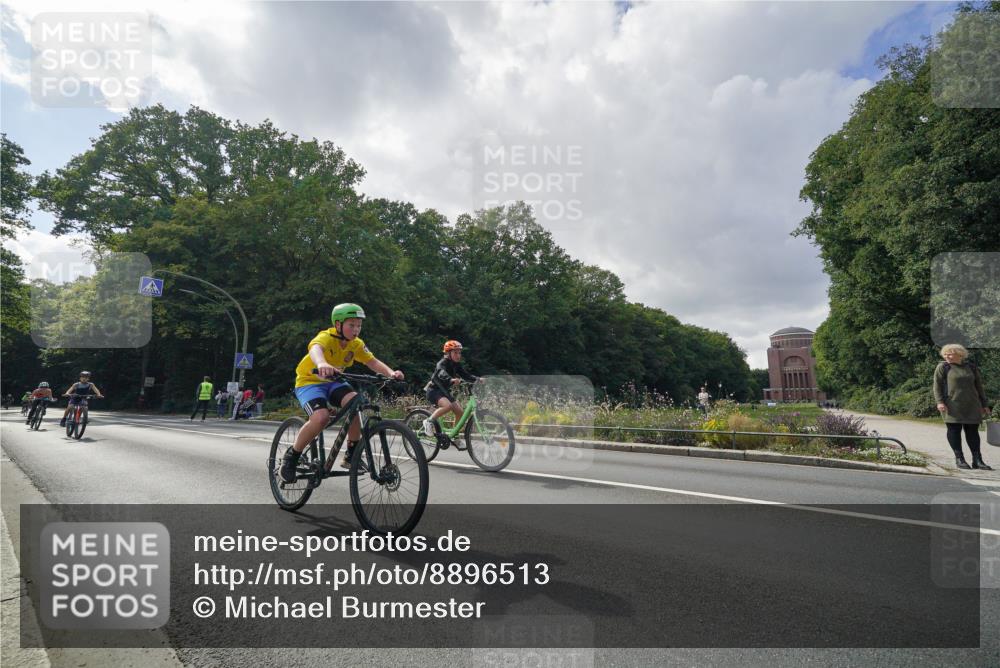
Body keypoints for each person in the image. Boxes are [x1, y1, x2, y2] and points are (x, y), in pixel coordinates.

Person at [280, 303, 404, 482]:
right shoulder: (326, 337)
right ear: (338, 325)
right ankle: (291, 456)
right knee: (320, 418)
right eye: (351, 325)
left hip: (334, 383)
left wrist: (391, 373)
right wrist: (321, 363)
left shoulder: (356, 344)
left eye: (359, 325)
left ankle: (351, 454)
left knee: (356, 403)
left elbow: (373, 362)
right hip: (309, 382)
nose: (356, 329)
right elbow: (315, 349)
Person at [934, 344, 992, 471]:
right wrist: (940, 402)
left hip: (972, 404)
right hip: (952, 405)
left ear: (960, 355)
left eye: (949, 354)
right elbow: (937, 386)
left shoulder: (971, 367)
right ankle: (959, 459)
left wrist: (984, 404)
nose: (946, 356)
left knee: (973, 432)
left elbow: (979, 387)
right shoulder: (943, 367)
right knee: (954, 430)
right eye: (945, 354)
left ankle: (977, 460)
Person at [422, 340, 479, 438]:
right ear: (448, 353)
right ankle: (428, 421)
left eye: (459, 352)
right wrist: (451, 379)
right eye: (455, 352)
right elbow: (441, 373)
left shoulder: (456, 365)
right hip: (434, 391)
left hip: (444, 392)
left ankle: (453, 436)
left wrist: (478, 379)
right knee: (447, 406)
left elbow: (466, 375)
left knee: (460, 413)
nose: (458, 355)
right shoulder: (442, 363)